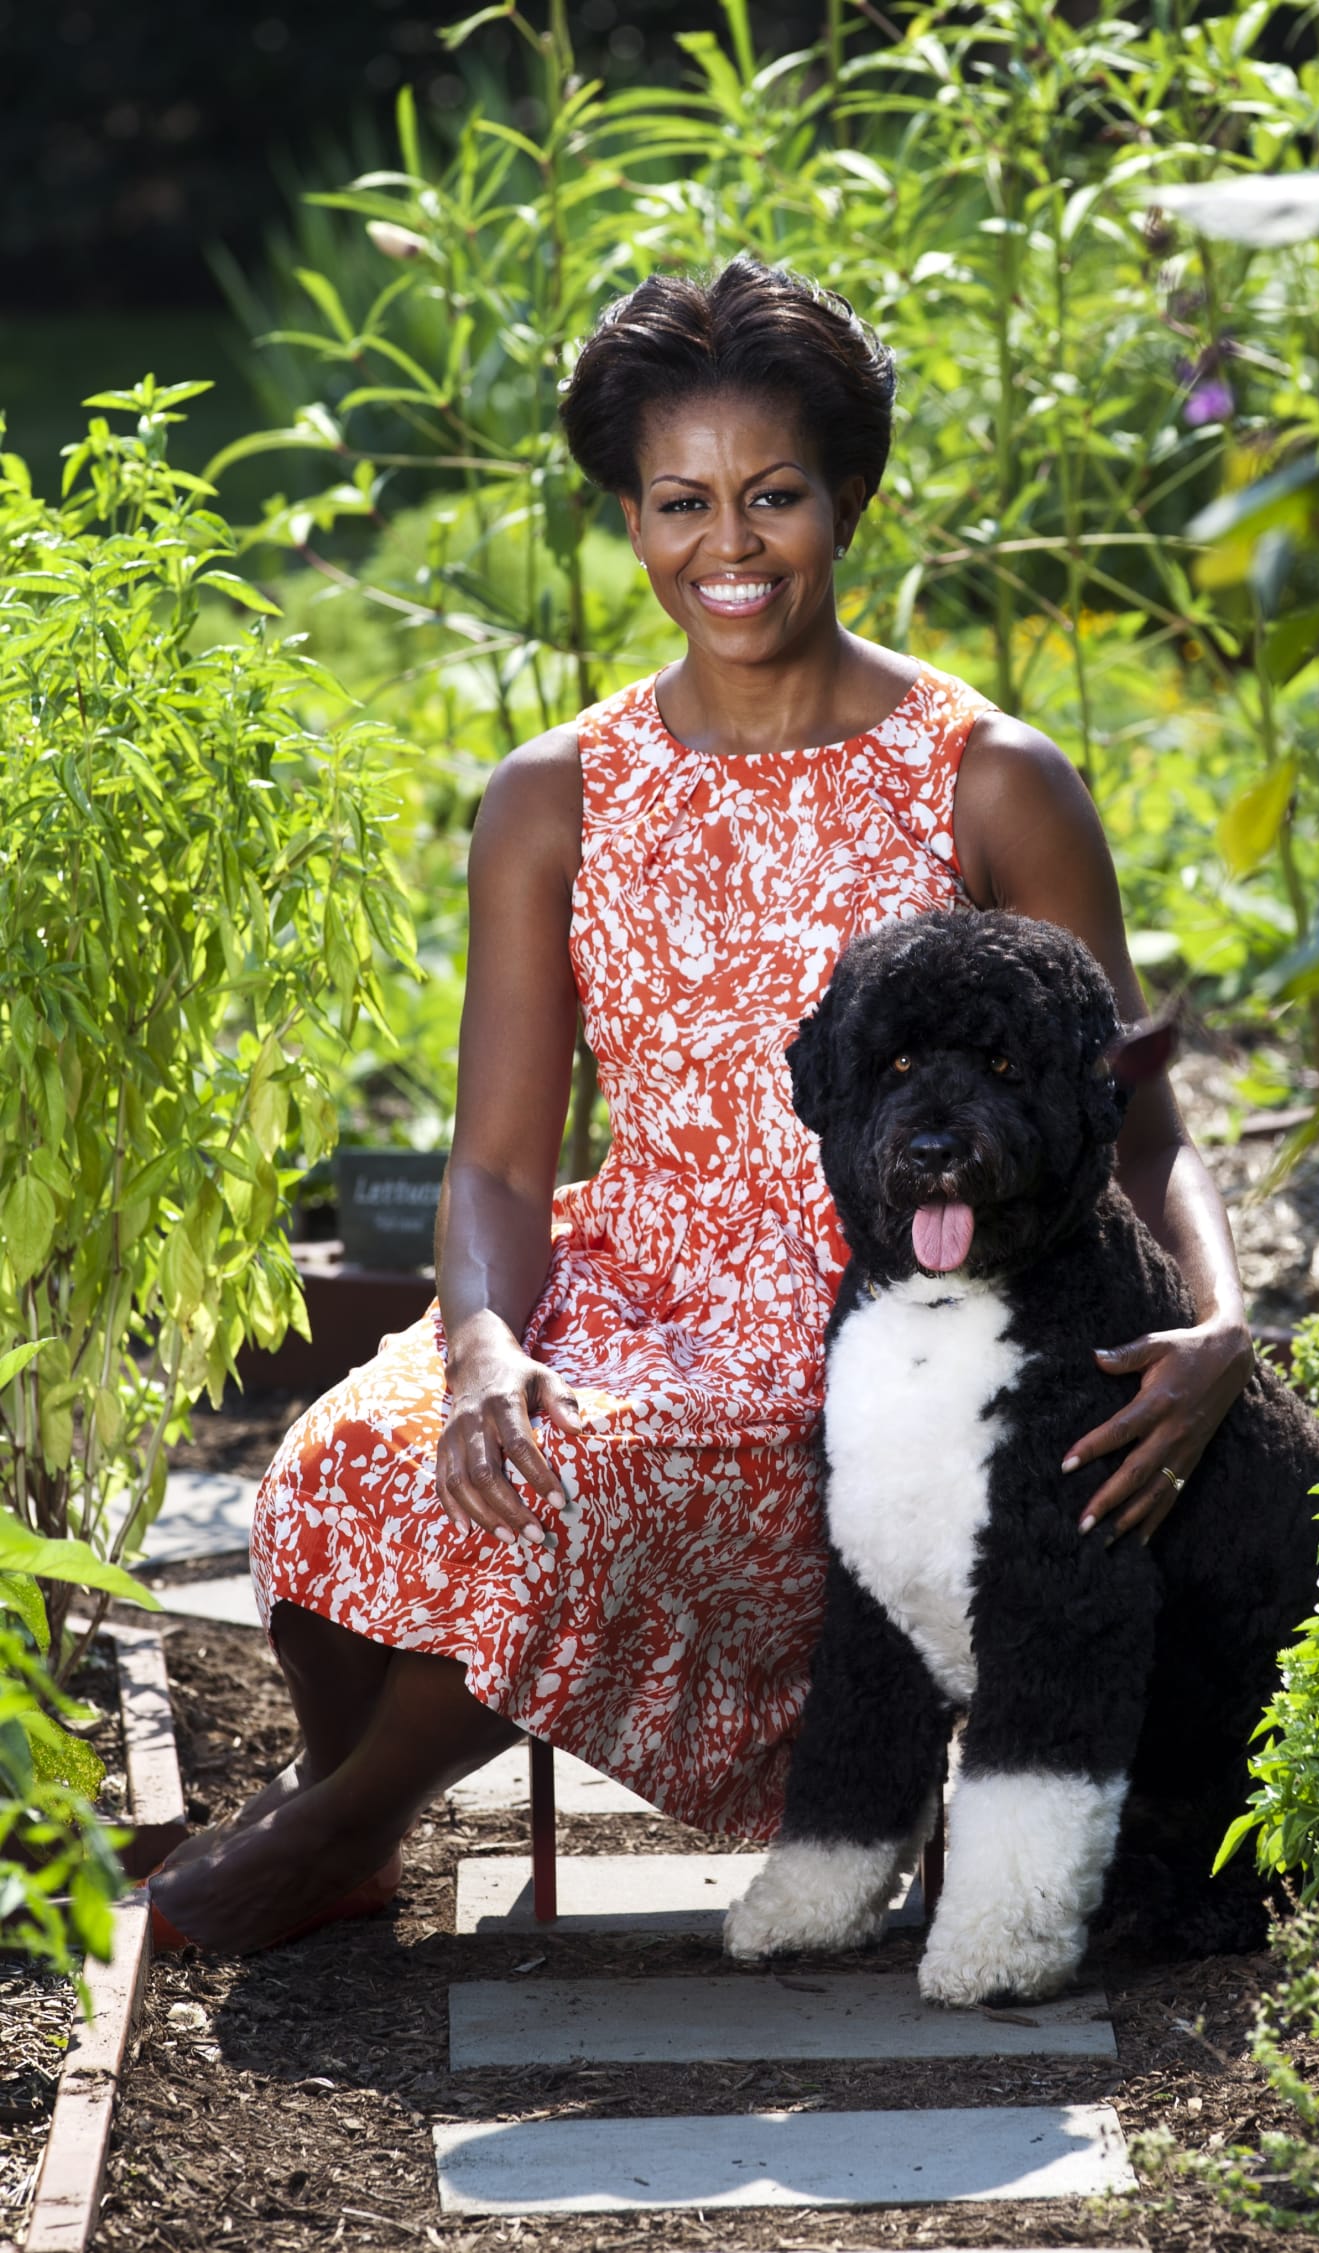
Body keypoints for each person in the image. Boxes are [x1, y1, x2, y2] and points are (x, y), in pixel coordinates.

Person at [145, 255, 1255, 1954]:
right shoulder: (557, 794)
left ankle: (333, 1830)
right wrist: (483, 1343)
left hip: (890, 1330)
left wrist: (1223, 1320)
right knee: (337, 1461)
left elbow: (1141, 1116)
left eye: (773, 495)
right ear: (629, 514)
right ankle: (340, 1804)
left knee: (566, 1496)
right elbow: (498, 1162)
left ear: (849, 499)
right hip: (626, 1286)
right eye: (682, 502)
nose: (728, 546)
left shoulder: (990, 778)